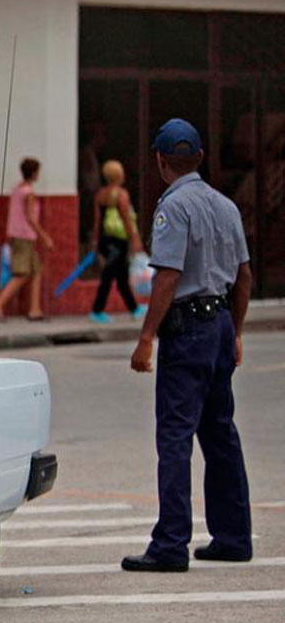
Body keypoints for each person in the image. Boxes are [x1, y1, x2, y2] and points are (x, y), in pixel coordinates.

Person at [122, 118, 253, 573]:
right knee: (220, 434)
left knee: (175, 437)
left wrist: (145, 338)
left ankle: (171, 544)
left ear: (160, 161)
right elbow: (244, 277)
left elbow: (169, 276)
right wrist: (234, 331)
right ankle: (234, 536)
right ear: (199, 158)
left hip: (188, 330)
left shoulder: (172, 208)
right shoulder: (225, 206)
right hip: (217, 324)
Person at [0, 158, 53, 321]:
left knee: (36, 270)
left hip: (17, 235)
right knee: (21, 274)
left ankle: (35, 309)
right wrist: (45, 237)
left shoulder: (17, 189)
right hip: (25, 236)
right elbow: (30, 218)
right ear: (34, 173)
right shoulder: (29, 194)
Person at [88, 160, 145, 323]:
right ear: (120, 175)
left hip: (106, 240)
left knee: (121, 275)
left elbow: (97, 220)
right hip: (119, 240)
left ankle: (133, 308)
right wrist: (135, 239)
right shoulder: (121, 194)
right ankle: (97, 310)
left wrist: (95, 241)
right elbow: (127, 219)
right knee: (109, 275)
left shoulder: (100, 194)